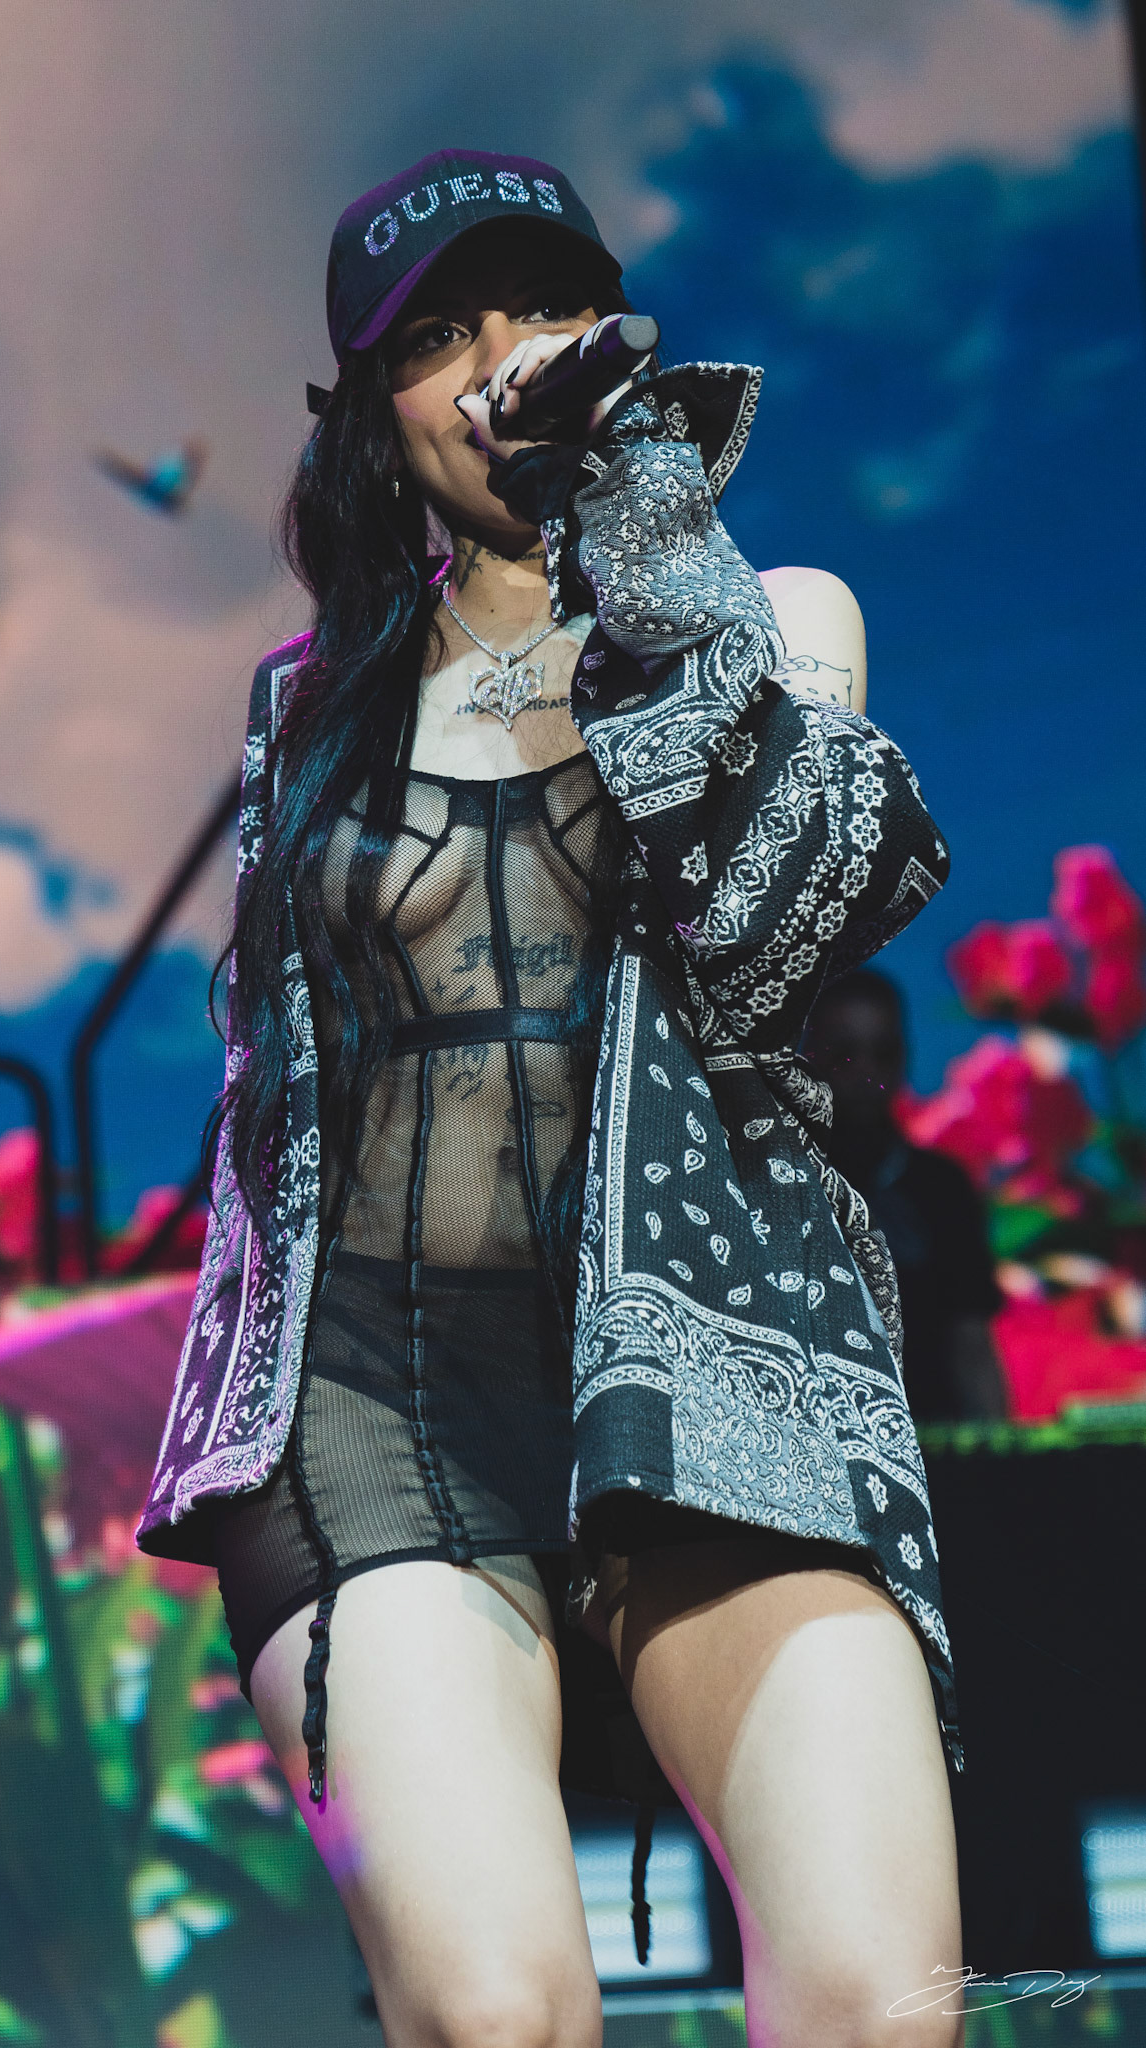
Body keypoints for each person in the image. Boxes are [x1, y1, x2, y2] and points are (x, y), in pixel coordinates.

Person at [138, 151, 966, 2047]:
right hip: (372, 1396)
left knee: (876, 2002)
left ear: (612, 340)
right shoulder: (305, 709)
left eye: (538, 310)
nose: (501, 360)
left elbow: (775, 929)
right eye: (439, 335)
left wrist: (643, 524)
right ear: (377, 413)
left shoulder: (779, 615)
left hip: (714, 1358)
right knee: (499, 2012)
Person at [803, 971, 1007, 1424]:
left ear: (904, 1058)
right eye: (845, 1055)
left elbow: (972, 1344)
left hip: (931, 1444)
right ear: (808, 1058)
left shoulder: (942, 1188)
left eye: (884, 1053)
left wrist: (1000, 1456)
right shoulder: (779, 1183)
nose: (866, 1072)